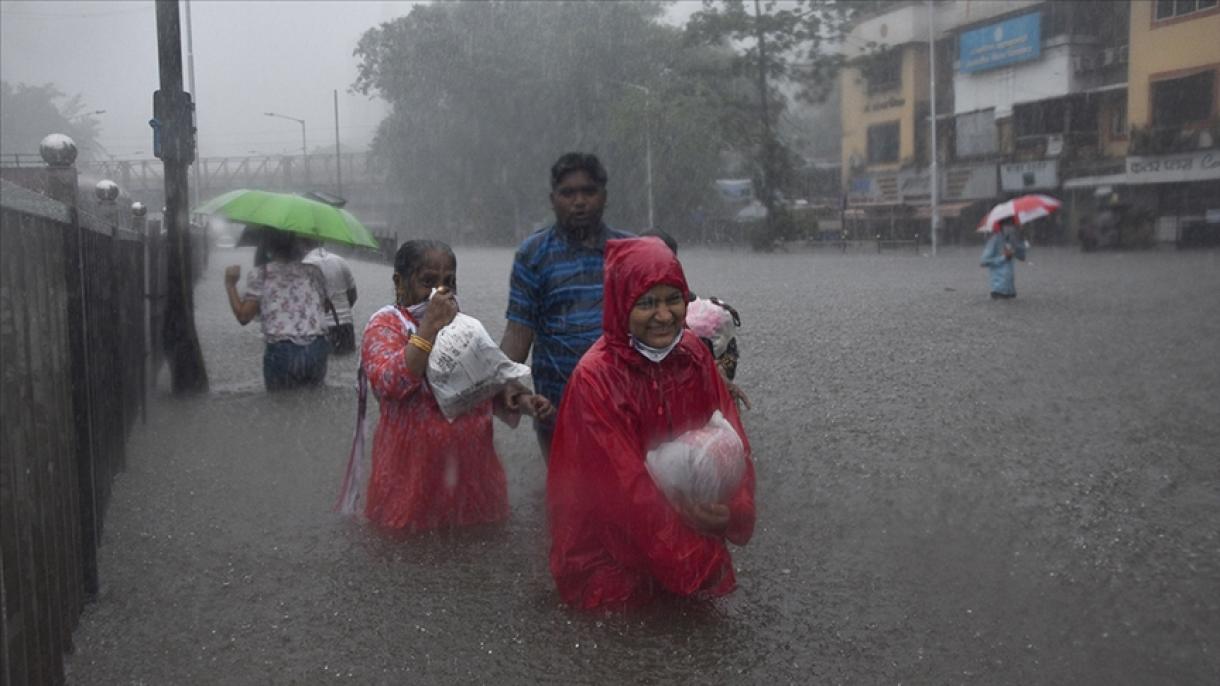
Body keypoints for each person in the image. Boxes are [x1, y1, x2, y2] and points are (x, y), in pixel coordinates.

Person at [547, 237, 756, 610]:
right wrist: (694, 559)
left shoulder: (692, 354)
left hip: (690, 539)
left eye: (673, 299)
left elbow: (732, 438)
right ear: (620, 304)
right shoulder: (596, 379)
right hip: (610, 560)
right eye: (646, 303)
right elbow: (623, 493)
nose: (664, 315)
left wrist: (731, 511)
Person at [360, 240, 552, 532]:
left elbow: (481, 385)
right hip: (412, 475)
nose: (440, 291)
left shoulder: (464, 326)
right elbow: (392, 384)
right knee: (412, 553)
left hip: (472, 473)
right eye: (428, 282)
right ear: (400, 282)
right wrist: (429, 329)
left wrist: (520, 400)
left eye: (448, 282)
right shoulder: (386, 326)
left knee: (476, 547)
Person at [500, 152, 633, 458]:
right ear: (553, 198)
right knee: (566, 497)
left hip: (623, 401)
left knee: (626, 493)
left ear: (604, 197)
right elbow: (520, 330)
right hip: (557, 405)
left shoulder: (628, 252)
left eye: (588, 191)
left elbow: (656, 327)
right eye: (568, 193)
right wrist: (505, 381)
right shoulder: (533, 254)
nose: (579, 201)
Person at [224, 229, 331, 390]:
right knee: (312, 402)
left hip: (282, 349)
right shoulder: (314, 271)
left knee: (280, 404)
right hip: (316, 347)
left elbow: (244, 317)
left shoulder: (262, 274)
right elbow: (324, 308)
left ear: (268, 247)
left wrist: (230, 284)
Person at [303, 242, 359, 355]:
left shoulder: (304, 265)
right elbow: (353, 295)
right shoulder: (341, 261)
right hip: (345, 329)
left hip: (317, 332)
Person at [980, 217, 1026, 299]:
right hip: (998, 291)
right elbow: (984, 262)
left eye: (1012, 225)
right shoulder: (994, 240)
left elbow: (1022, 257)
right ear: (1002, 226)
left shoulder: (1012, 239)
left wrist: (1021, 238)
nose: (1011, 227)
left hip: (1011, 291)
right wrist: (1004, 257)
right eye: (1008, 225)